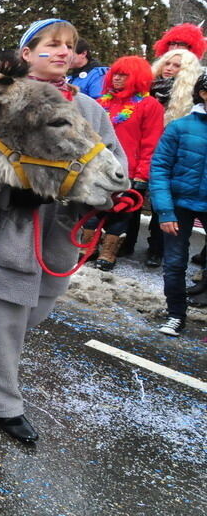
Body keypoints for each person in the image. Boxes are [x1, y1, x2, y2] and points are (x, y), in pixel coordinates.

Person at [0, 19, 126, 443]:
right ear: (27, 53)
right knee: (5, 322)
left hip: (58, 237)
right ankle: (3, 405)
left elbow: (115, 164)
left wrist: (109, 194)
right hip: (0, 234)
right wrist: (13, 193)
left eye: (70, 45)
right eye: (52, 44)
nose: (64, 51)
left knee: (34, 313)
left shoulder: (91, 111)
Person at [82, 56, 163, 271]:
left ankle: (109, 252)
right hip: (97, 168)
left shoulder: (149, 105)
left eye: (123, 75)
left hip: (127, 171)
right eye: (115, 74)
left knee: (120, 212)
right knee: (92, 207)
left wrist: (142, 176)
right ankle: (87, 247)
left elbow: (150, 143)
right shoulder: (101, 103)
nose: (117, 78)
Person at [123, 48, 203, 265]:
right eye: (167, 63)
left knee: (162, 200)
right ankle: (125, 241)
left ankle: (156, 249)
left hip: (171, 155)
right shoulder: (146, 90)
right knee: (133, 195)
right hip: (143, 151)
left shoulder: (188, 99)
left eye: (176, 66)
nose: (169, 68)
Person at [149, 73, 207, 335]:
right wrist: (165, 211)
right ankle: (175, 315)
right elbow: (159, 168)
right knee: (174, 263)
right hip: (179, 204)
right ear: (203, 93)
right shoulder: (179, 127)